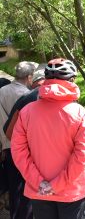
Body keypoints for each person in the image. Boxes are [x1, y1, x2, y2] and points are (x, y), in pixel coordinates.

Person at [11, 58, 85, 219]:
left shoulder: (27, 111)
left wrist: (40, 182)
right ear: (72, 80)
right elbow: (82, 154)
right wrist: (57, 184)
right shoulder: (78, 112)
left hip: (39, 190)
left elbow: (18, 151)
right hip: (72, 190)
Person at [0, 61, 37, 219]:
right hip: (25, 150)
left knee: (14, 190)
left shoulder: (1, 91)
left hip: (6, 148)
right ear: (29, 77)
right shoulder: (28, 95)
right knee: (27, 191)